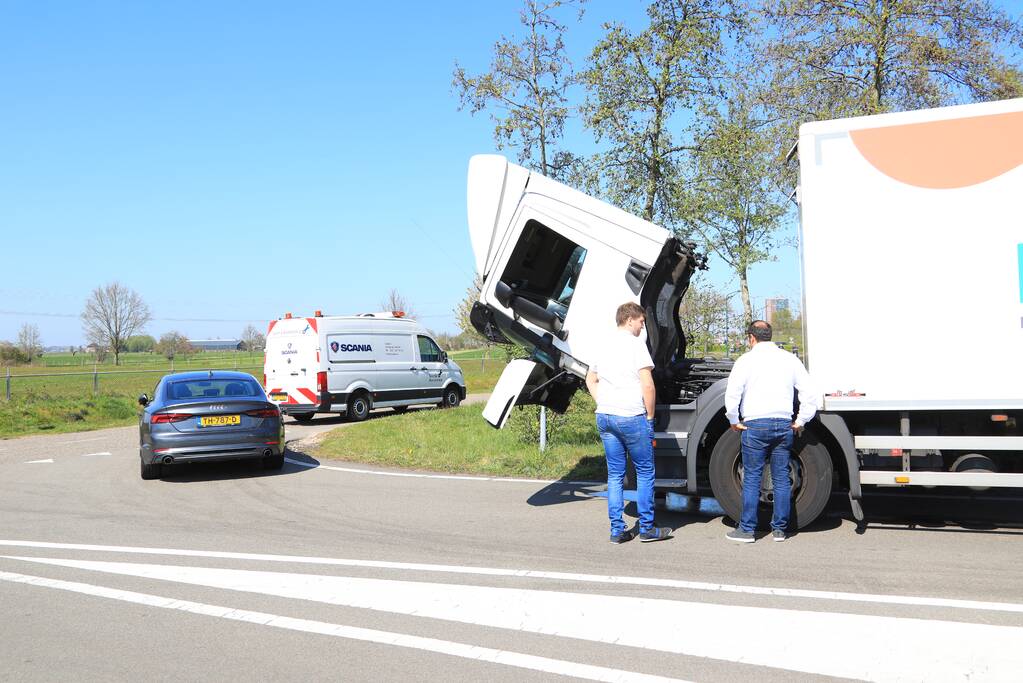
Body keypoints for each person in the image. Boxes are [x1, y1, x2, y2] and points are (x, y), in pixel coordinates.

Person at [585, 302, 672, 544]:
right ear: (629, 319)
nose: (642, 327)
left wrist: (603, 400)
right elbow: (648, 385)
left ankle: (617, 531)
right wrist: (651, 417)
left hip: (605, 415)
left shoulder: (602, 344)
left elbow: (590, 379)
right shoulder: (635, 345)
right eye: (641, 322)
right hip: (631, 416)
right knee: (645, 472)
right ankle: (646, 528)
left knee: (614, 475)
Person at [724, 320, 817, 543]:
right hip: (783, 424)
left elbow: (733, 393)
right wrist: (801, 420)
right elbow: (809, 393)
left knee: (753, 478)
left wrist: (733, 419)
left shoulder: (745, 360)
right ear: (770, 336)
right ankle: (779, 530)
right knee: (781, 478)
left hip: (755, 425)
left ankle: (747, 530)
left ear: (751, 338)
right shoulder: (789, 359)